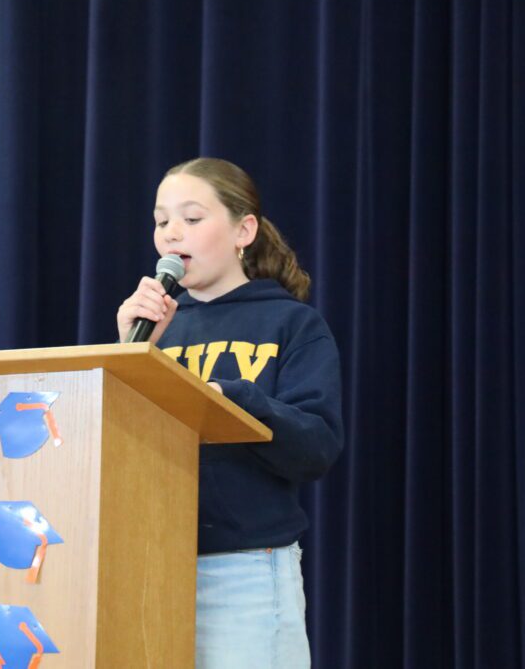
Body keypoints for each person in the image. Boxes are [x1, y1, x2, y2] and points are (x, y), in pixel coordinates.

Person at [116, 157, 344, 668]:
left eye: (192, 219)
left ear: (244, 230)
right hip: (149, 563)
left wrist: (234, 398)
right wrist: (129, 356)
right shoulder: (155, 329)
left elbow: (317, 445)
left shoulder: (291, 324)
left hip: (244, 571)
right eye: (161, 221)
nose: (173, 233)